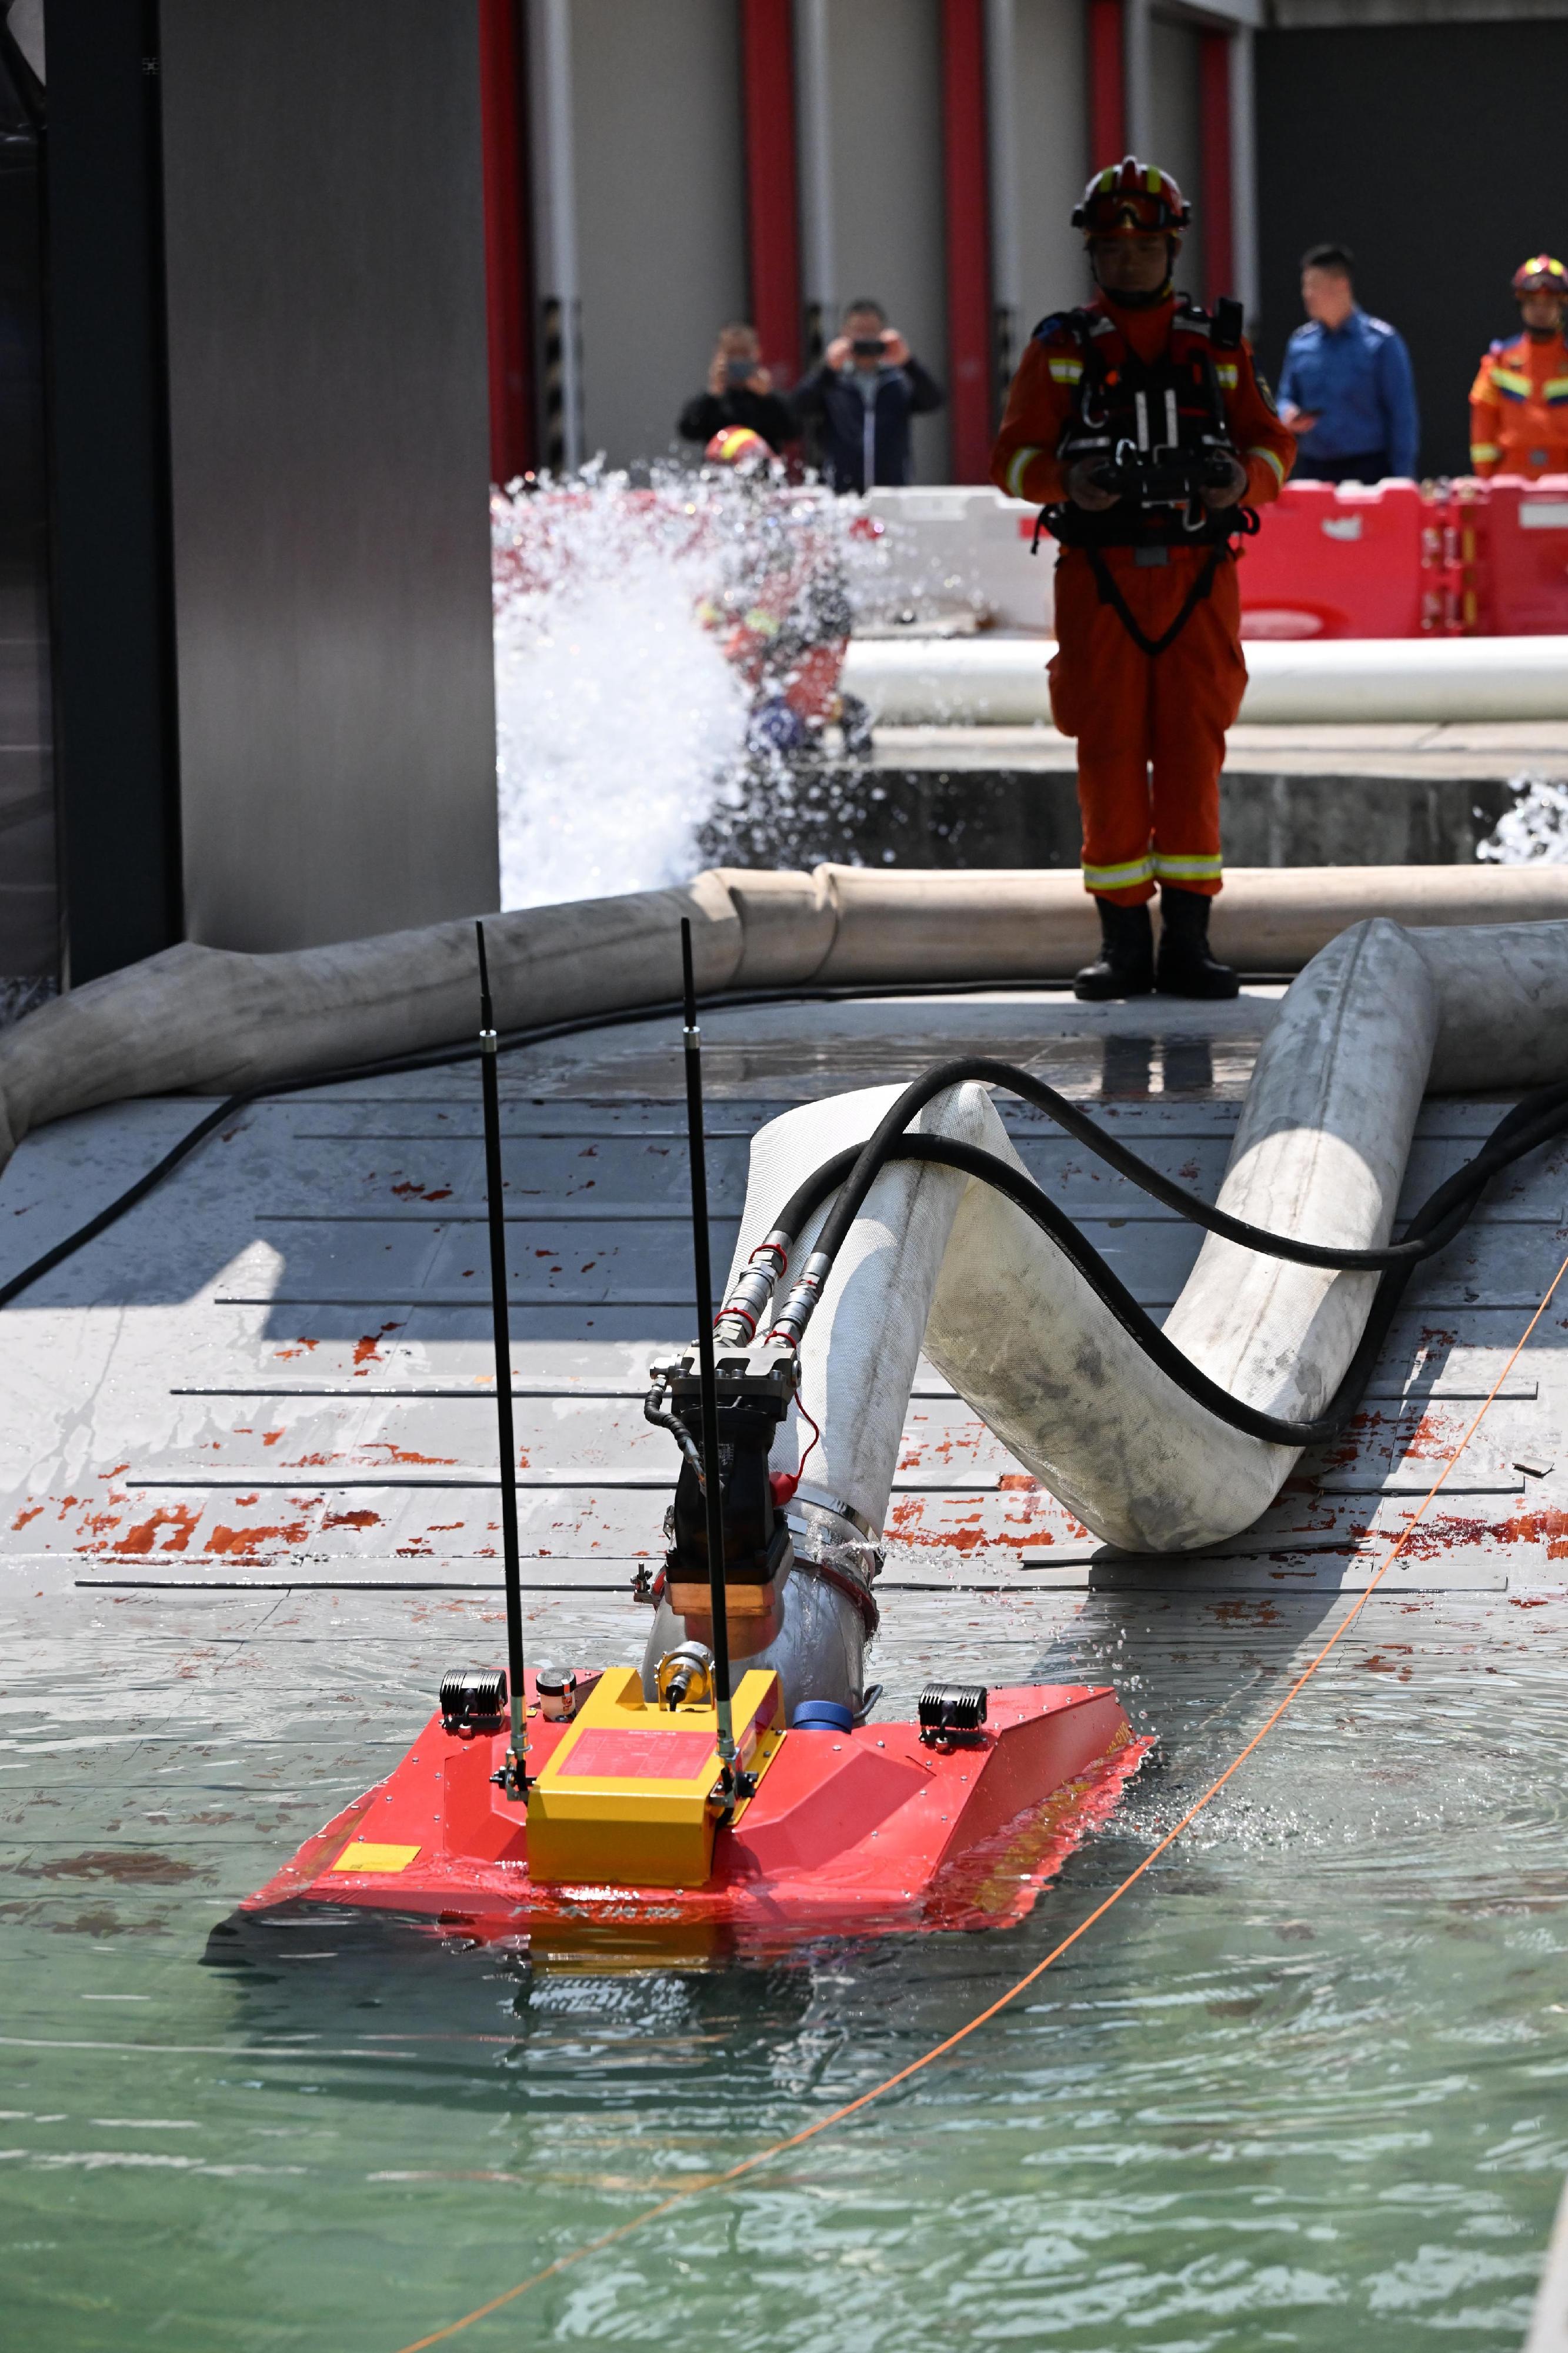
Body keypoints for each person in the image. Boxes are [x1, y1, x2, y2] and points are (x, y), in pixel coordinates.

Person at [990, 155, 1295, 1001]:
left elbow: (1272, 444)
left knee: (1193, 752)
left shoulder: (1219, 346)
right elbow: (1009, 456)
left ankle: (1188, 944)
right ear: (1092, 253)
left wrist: (1240, 481)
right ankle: (1122, 944)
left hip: (1197, 575)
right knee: (1108, 750)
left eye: (1144, 246)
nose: (1128, 260)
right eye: (1112, 248)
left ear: (1171, 250)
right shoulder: (1059, 347)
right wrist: (1065, 481)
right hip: (1099, 579)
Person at [693, 425, 869, 756]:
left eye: (732, 479)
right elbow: (717, 593)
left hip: (816, 633)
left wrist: (736, 648)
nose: (726, 492)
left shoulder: (789, 523)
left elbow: (776, 601)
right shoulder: (732, 528)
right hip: (769, 638)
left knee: (779, 729)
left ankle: (844, 711)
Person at [1277, 244, 1419, 482]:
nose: (1307, 294)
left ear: (1341, 285)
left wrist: (1403, 479)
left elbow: (1402, 416)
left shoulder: (1381, 342)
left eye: (1314, 285)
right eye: (1305, 286)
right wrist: (1288, 413)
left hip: (1369, 470)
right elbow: (1285, 397)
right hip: (1315, 469)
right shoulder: (1300, 343)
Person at [790, 299, 943, 492]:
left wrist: (907, 363)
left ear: (883, 334)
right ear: (845, 334)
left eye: (872, 332)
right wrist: (827, 369)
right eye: (859, 332)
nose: (865, 339)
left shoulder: (898, 380)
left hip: (891, 491)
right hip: (843, 492)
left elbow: (933, 401)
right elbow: (798, 406)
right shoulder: (833, 381)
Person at [1469, 255, 1568, 478]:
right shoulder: (1499, 362)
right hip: (1511, 477)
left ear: (1562, 305)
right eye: (1533, 302)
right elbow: (1483, 425)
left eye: (1549, 303)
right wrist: (1488, 481)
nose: (1540, 311)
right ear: (1521, 303)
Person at [678, 323, 796, 456]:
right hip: (721, 466)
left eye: (744, 353)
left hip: (763, 466)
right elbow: (688, 430)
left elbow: (793, 431)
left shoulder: (770, 398)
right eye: (732, 353)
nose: (738, 359)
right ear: (719, 355)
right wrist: (712, 395)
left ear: (757, 353)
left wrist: (768, 398)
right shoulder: (712, 399)